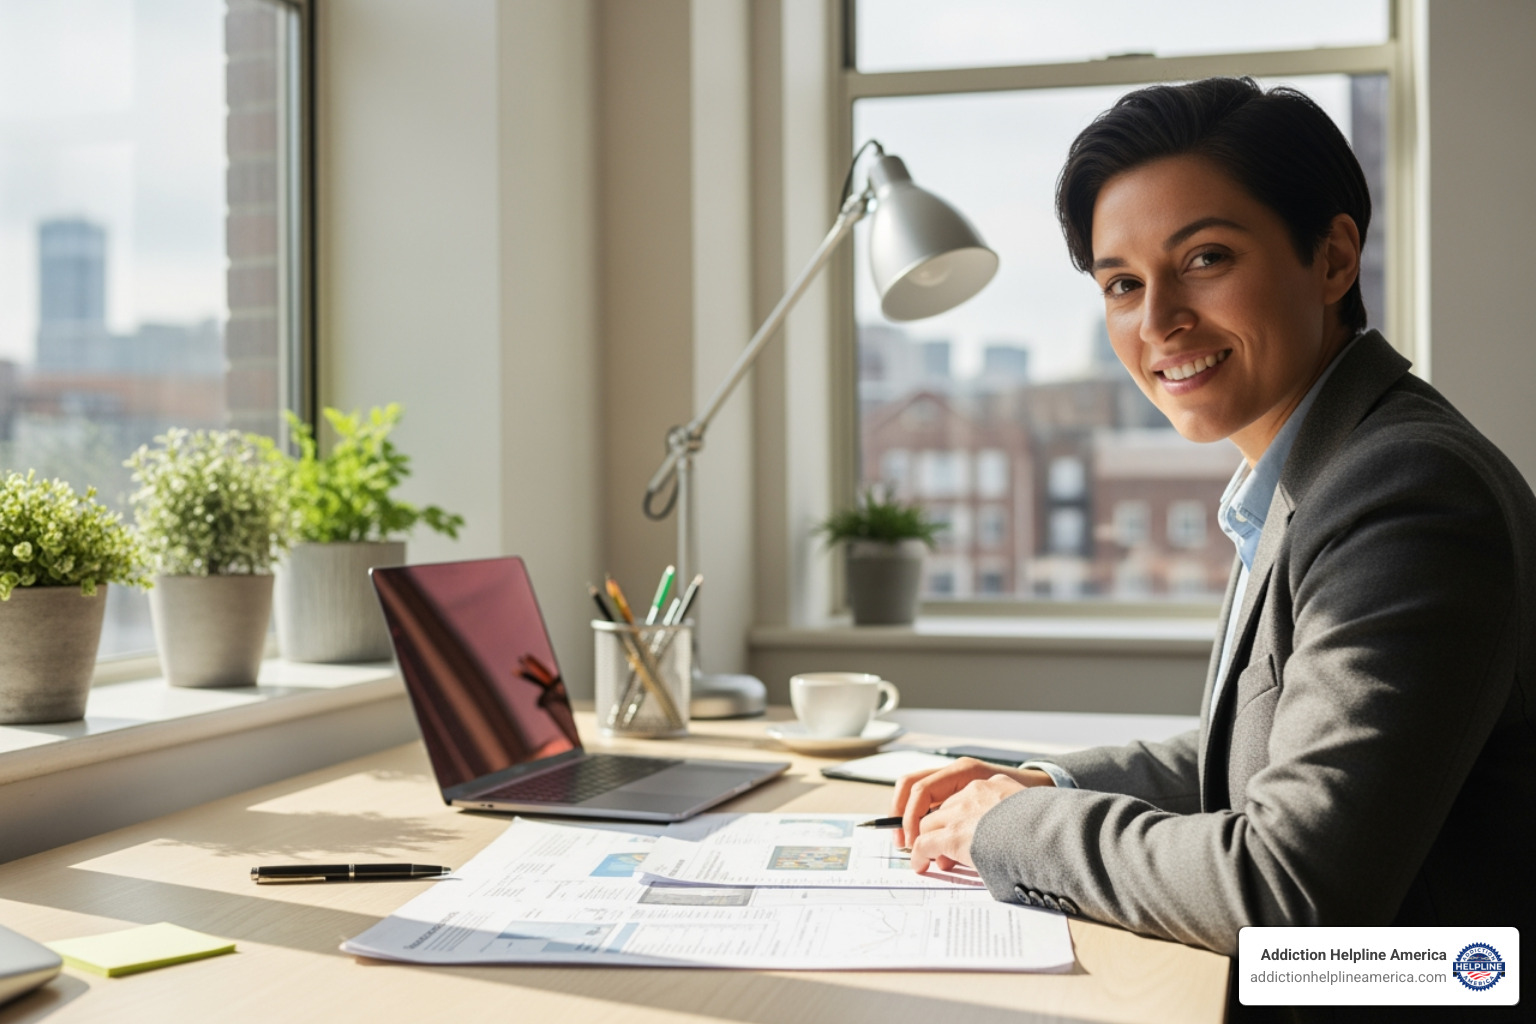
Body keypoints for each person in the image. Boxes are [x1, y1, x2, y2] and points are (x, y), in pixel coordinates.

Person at [890, 76, 1536, 1007]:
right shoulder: (1321, 466)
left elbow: (1288, 889)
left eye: (1204, 259)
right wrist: (1042, 777)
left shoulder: (1408, 492)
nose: (1157, 321)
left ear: (1333, 258)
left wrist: (1018, 826)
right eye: (1122, 283)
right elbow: (1261, 751)